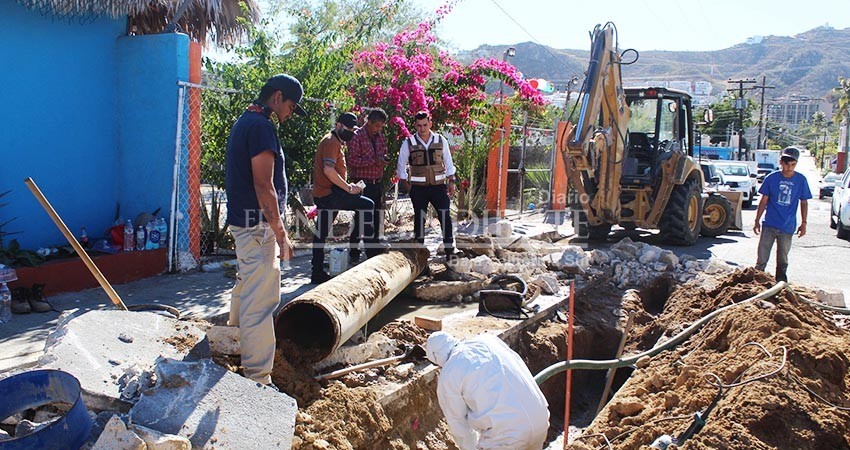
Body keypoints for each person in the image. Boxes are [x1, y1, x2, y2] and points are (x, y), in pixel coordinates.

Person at [224, 74, 305, 387]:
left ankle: (231, 344)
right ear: (277, 97)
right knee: (261, 300)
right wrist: (281, 234)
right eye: (290, 106)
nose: (289, 113)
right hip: (257, 227)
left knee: (246, 285)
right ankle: (258, 378)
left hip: (246, 225)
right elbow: (264, 185)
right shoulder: (260, 128)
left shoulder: (247, 120)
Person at [425, 331, 550, 450]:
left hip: (506, 438)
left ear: (436, 357)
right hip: (540, 420)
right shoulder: (488, 340)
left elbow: (458, 424)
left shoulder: (449, 373)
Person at [310, 112, 384, 284]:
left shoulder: (334, 141)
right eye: (348, 129)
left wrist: (349, 188)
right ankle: (371, 251)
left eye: (353, 129)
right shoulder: (331, 142)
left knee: (320, 233)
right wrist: (349, 188)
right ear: (338, 126)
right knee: (367, 205)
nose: (351, 132)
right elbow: (329, 170)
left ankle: (317, 272)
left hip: (328, 193)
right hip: (328, 195)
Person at [397, 110, 457, 259]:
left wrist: (451, 181)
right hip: (418, 189)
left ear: (430, 123)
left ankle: (450, 250)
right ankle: (419, 253)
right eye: (419, 125)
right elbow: (401, 164)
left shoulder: (440, 140)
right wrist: (407, 185)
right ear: (415, 125)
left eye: (425, 125)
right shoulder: (409, 143)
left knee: (445, 217)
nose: (422, 128)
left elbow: (448, 162)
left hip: (438, 186)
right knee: (419, 219)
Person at [753, 146, 811, 282]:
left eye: (792, 165)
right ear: (781, 162)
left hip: (787, 226)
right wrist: (757, 220)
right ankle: (756, 281)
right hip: (770, 224)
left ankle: (781, 284)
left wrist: (804, 223)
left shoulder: (801, 180)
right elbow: (764, 201)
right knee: (762, 256)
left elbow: (804, 202)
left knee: (783, 259)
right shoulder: (771, 178)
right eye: (786, 164)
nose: (789, 168)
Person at [346, 107, 389, 263]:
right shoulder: (357, 136)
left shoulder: (380, 137)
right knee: (361, 219)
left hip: (377, 182)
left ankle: (374, 249)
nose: (378, 129)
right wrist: (374, 161)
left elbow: (383, 153)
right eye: (376, 125)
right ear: (369, 122)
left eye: (381, 126)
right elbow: (352, 160)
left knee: (376, 216)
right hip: (362, 184)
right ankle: (354, 251)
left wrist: (383, 159)